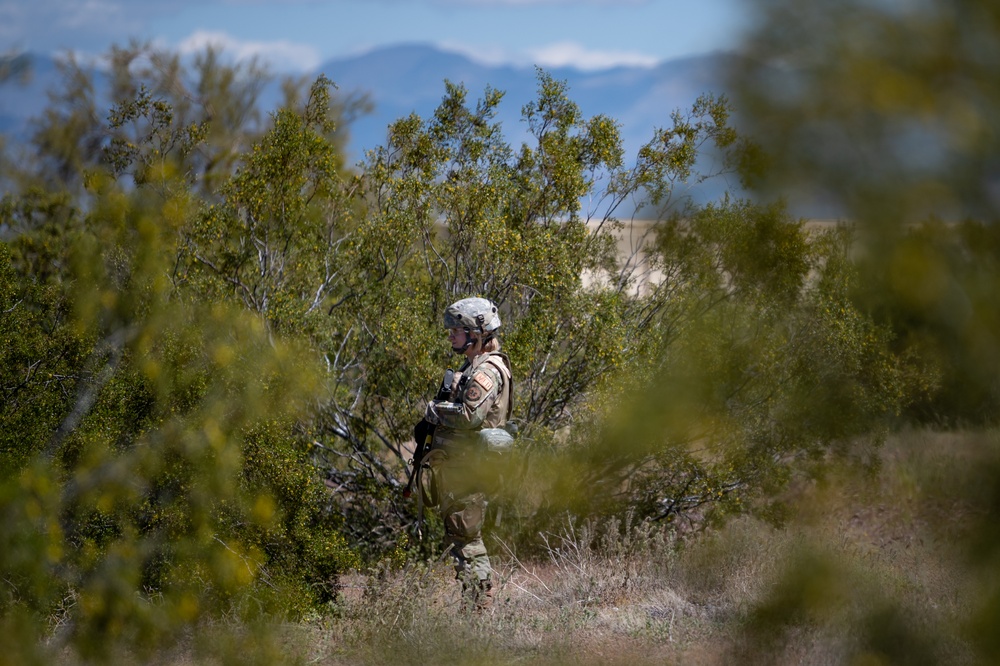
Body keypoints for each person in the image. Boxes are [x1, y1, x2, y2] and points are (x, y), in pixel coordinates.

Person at [419, 297, 513, 609]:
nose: (451, 337)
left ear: (477, 333)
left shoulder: (486, 371)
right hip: (460, 466)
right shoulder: (473, 365)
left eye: (456, 331)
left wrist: (434, 410)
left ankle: (478, 602)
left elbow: (469, 416)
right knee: (460, 535)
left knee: (466, 537)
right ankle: (475, 600)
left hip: (469, 469)